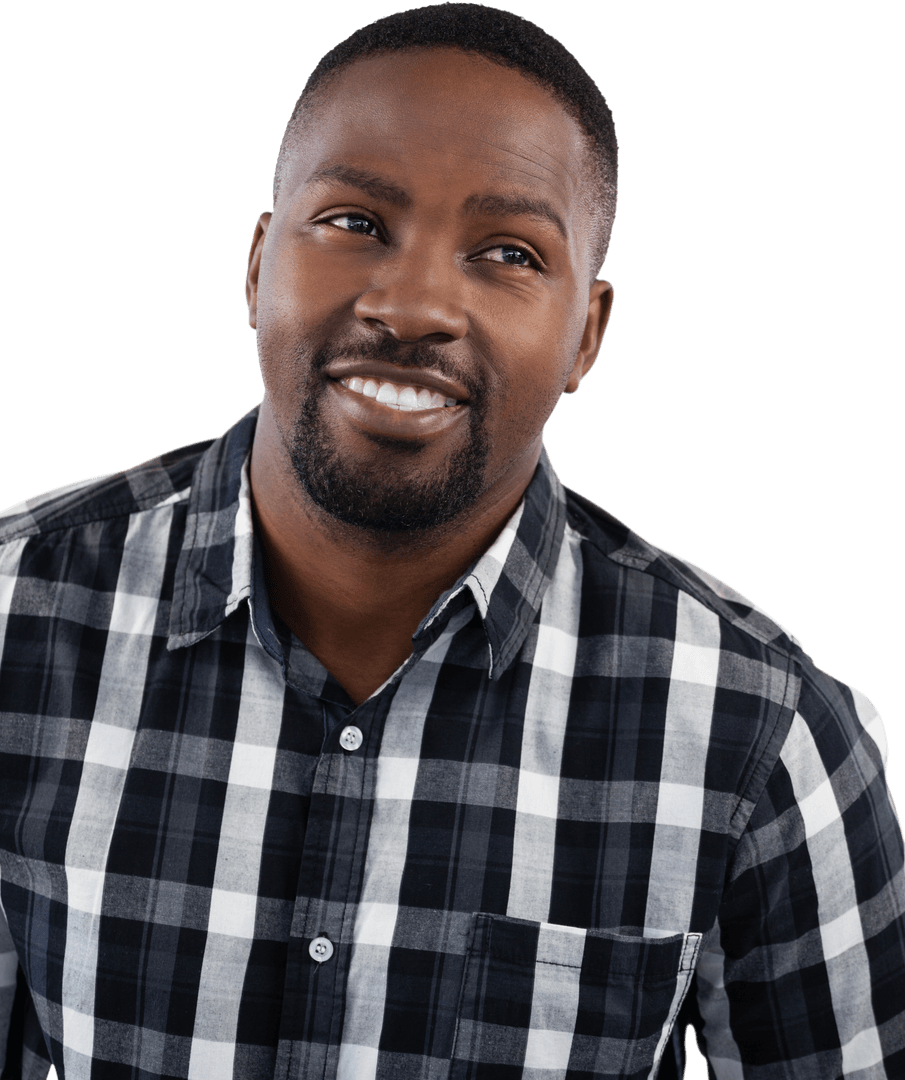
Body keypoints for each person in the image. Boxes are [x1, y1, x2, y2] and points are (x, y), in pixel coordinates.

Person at [0, 3, 902, 1077]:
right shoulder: (15, 612)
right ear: (254, 267)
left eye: (508, 252)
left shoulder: (761, 730)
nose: (416, 303)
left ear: (586, 335)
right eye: (353, 223)